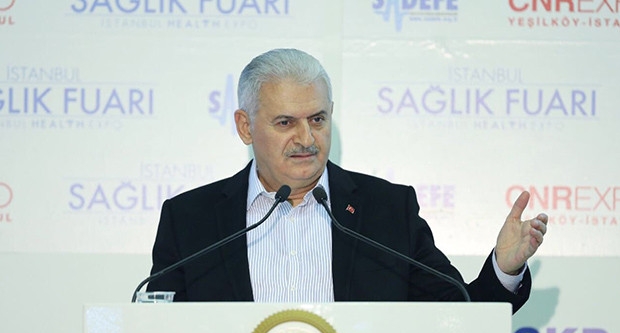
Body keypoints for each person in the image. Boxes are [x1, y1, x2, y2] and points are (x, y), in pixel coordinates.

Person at [147, 48, 548, 313]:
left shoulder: (386, 210)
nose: (306, 138)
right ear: (245, 126)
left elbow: (459, 314)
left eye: (317, 119)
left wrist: (503, 269)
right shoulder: (190, 220)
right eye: (285, 122)